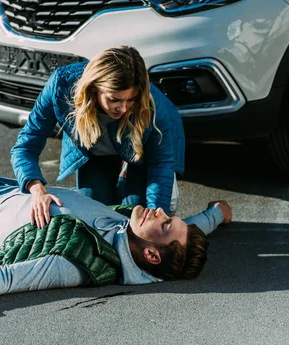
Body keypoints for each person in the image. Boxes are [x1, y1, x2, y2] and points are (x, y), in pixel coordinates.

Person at [0, 126, 232, 315]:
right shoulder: (135, 242)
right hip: (18, 191)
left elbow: (6, 279)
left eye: (164, 223)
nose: (159, 211)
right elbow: (189, 231)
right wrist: (216, 214)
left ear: (152, 255)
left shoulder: (76, 262)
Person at [10, 45, 185, 229]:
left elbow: (161, 164)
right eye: (114, 99)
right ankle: (121, 179)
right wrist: (37, 190)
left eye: (130, 99)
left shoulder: (152, 104)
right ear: (94, 89)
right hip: (96, 153)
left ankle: (131, 177)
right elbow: (25, 146)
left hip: (141, 156)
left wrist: (156, 217)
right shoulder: (60, 86)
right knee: (95, 221)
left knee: (133, 215)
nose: (123, 108)